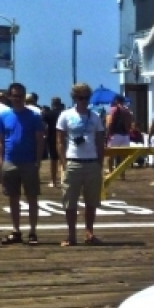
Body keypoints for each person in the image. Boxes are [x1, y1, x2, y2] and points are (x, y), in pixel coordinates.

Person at [57, 82, 107, 246]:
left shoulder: (95, 117)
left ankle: (89, 232)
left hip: (92, 162)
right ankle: (71, 235)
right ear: (74, 98)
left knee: (91, 201)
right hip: (73, 162)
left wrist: (100, 163)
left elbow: (100, 141)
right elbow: (59, 141)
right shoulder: (65, 115)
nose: (83, 101)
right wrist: (64, 163)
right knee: (69, 201)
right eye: (80, 98)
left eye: (86, 97)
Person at [0, 82, 45, 245]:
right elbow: (1, 141)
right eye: (14, 96)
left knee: (32, 198)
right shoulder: (3, 116)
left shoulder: (34, 116)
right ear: (9, 97)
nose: (17, 99)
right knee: (13, 198)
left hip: (29, 162)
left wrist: (38, 161)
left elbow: (39, 140)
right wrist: (0, 161)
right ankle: (16, 230)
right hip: (10, 161)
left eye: (20, 96)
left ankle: (32, 231)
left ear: (25, 97)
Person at [106, 96, 132, 173]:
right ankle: (122, 174)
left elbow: (110, 122)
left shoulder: (114, 109)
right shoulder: (127, 110)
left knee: (111, 155)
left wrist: (108, 133)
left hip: (115, 134)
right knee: (123, 157)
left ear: (116, 100)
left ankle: (111, 172)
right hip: (125, 135)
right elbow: (129, 123)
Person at [42, 96, 63, 187]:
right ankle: (63, 180)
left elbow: (44, 126)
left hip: (52, 138)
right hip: (63, 138)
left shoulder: (48, 114)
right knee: (63, 159)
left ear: (52, 104)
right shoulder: (63, 113)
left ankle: (53, 181)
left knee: (53, 161)